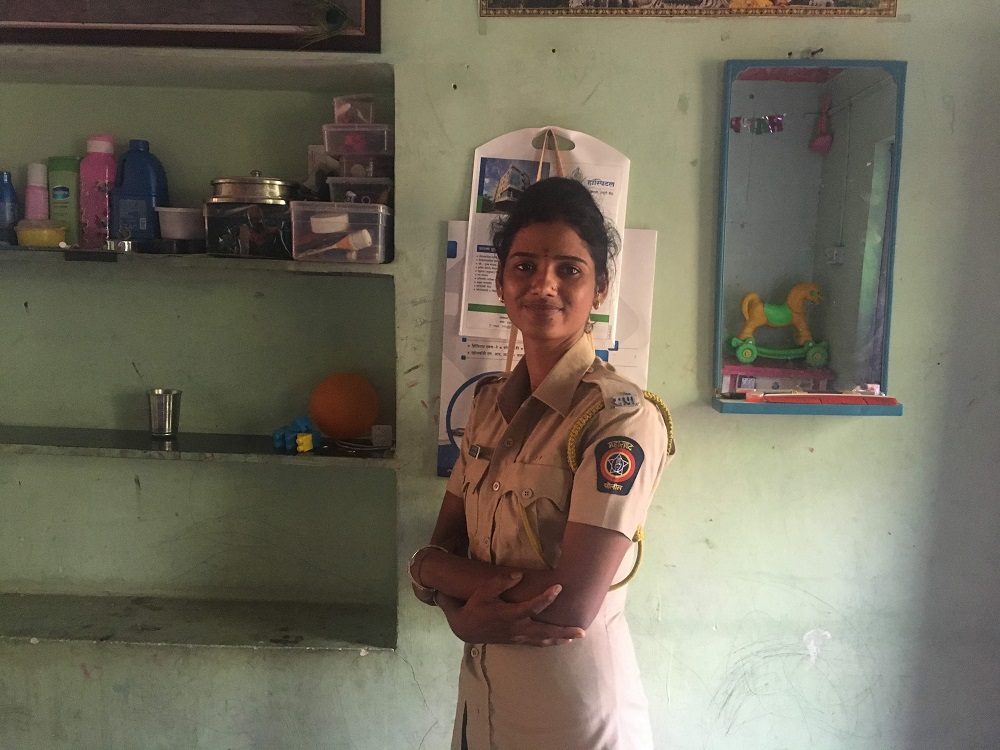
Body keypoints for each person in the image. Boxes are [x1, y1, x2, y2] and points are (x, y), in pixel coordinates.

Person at [409, 176, 674, 749]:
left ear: (599, 287)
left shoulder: (618, 420)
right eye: (524, 266)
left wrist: (434, 579)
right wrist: (453, 605)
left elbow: (571, 602)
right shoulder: (486, 406)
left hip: (571, 714)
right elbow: (442, 542)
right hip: (484, 705)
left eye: (569, 270)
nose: (543, 285)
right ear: (501, 282)